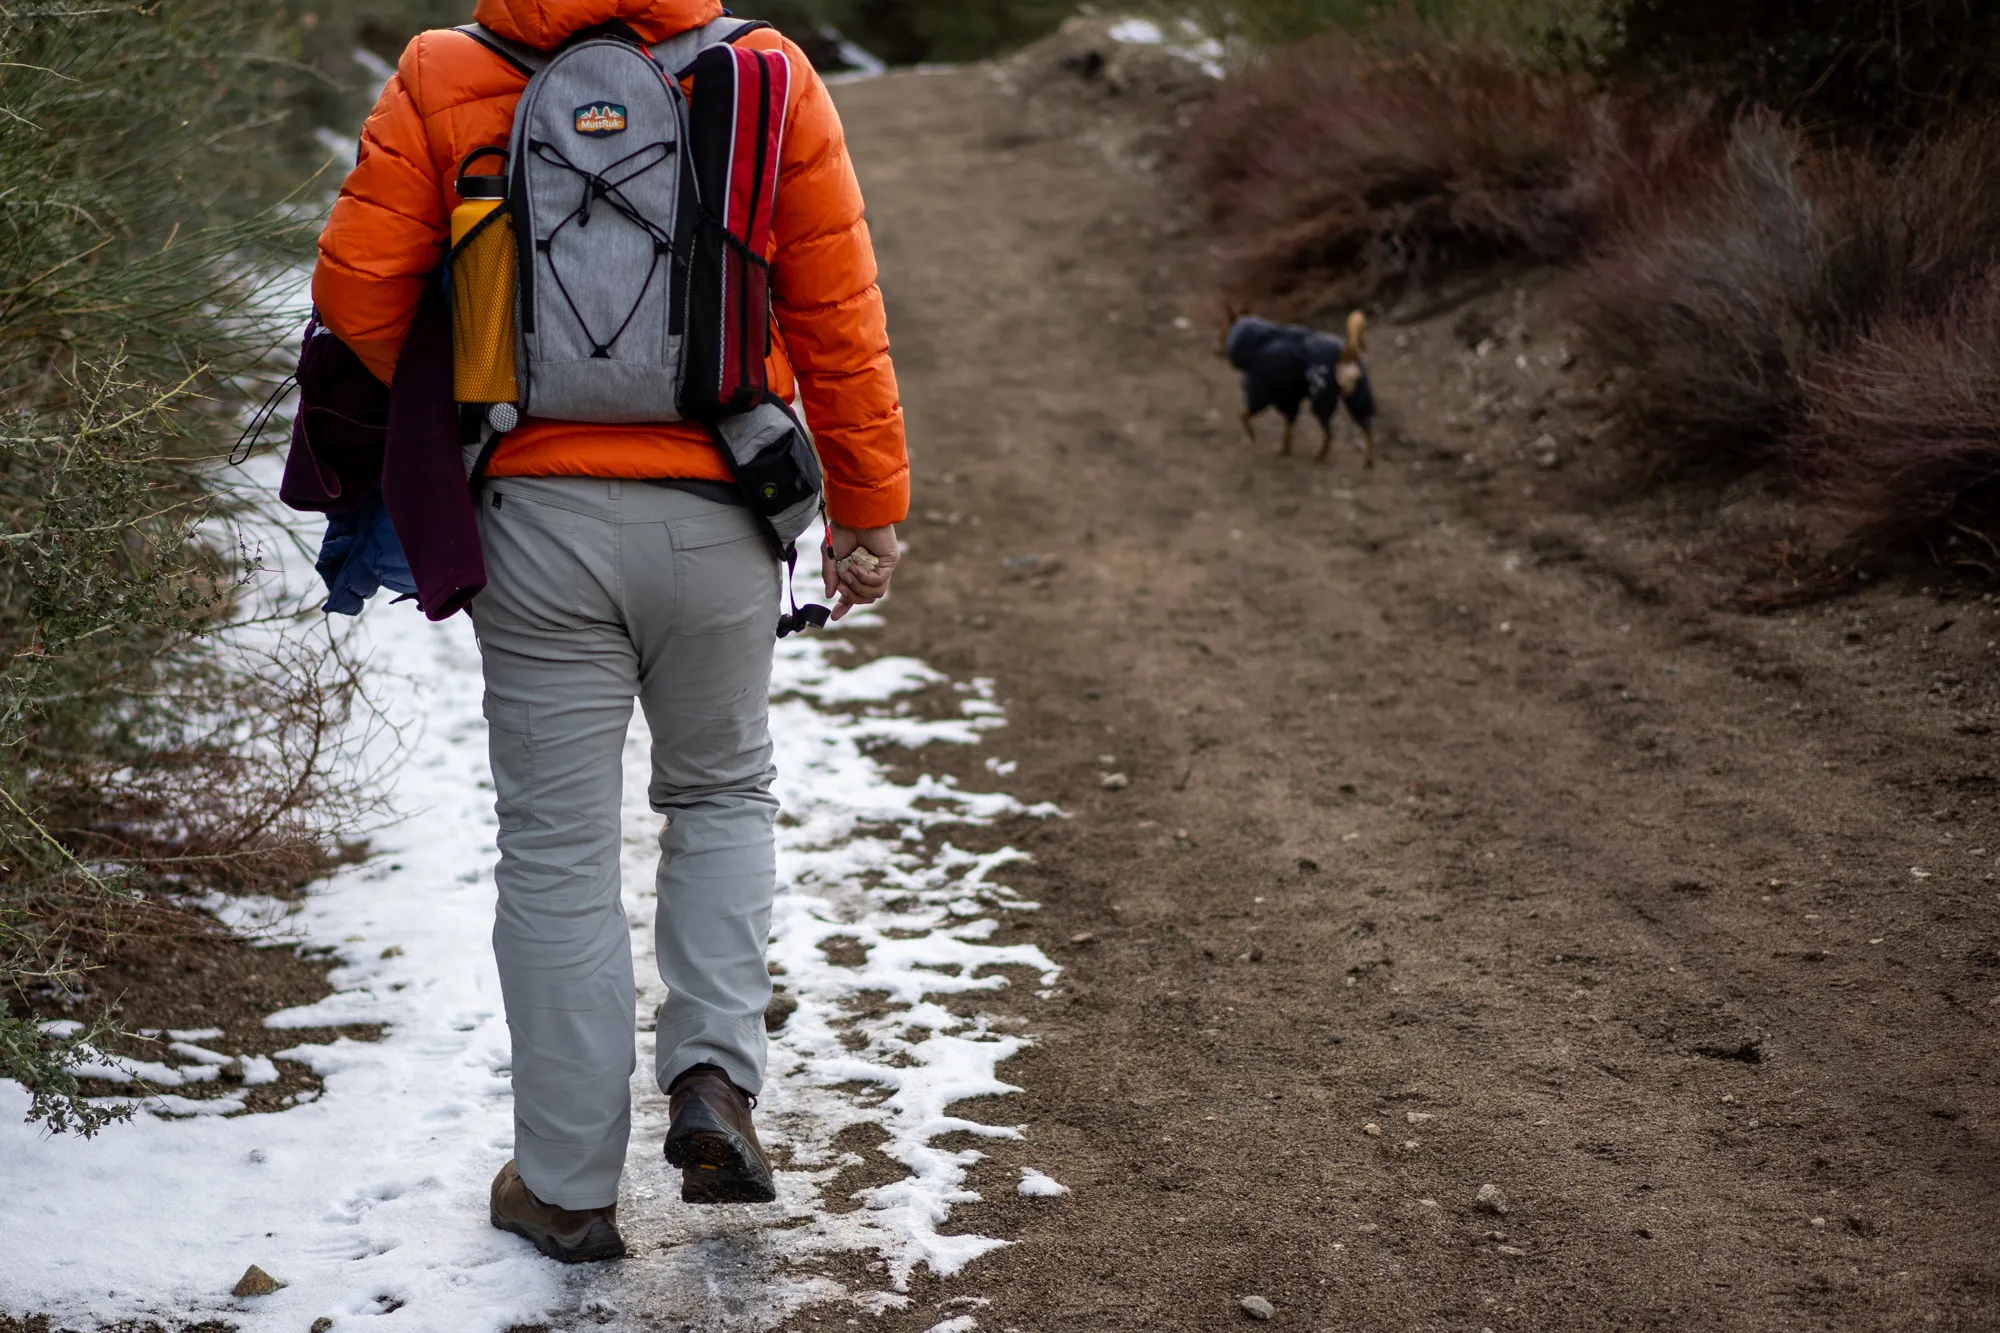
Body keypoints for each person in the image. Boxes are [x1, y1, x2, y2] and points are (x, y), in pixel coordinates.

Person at [312, 0, 908, 1263]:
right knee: (722, 793)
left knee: (556, 851)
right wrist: (867, 508)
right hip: (721, 512)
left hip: (534, 517)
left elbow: (357, 300)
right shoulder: (763, 76)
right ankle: (711, 1082)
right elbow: (836, 310)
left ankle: (568, 1183)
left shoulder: (445, 72)